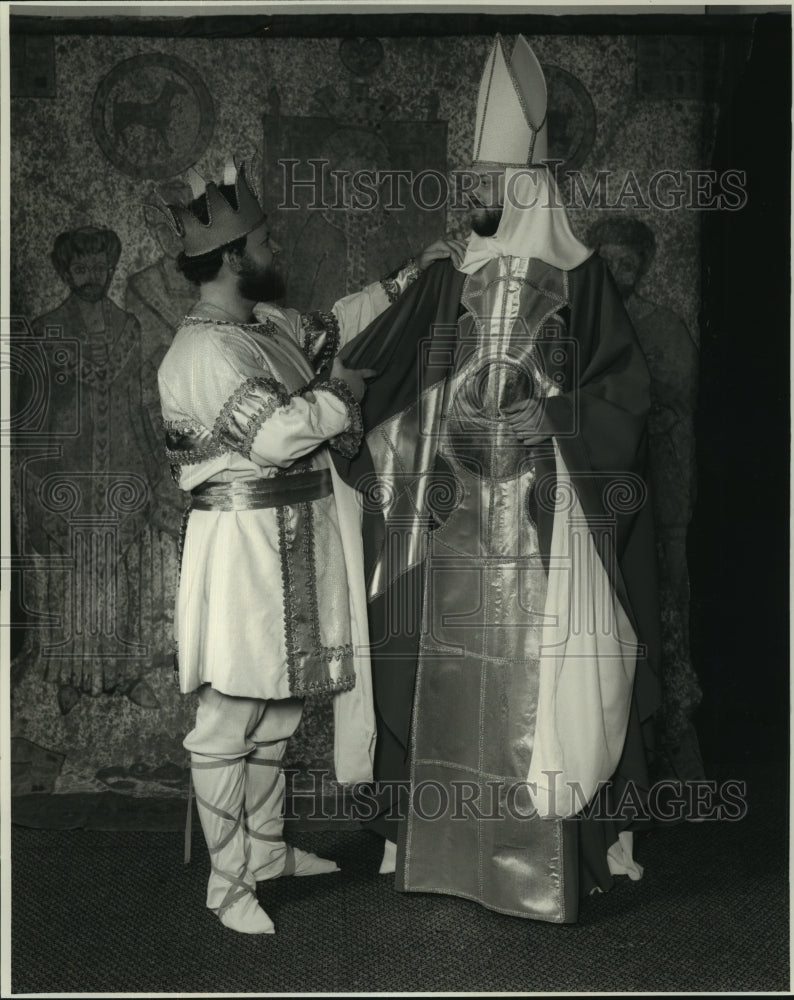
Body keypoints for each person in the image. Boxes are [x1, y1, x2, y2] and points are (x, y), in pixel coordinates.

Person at [337, 35, 662, 922]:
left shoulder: (581, 278)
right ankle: (434, 842)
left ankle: (551, 855)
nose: (474, 188)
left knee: (537, 680)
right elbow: (394, 367)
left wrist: (555, 419)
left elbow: (626, 397)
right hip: (452, 521)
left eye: (487, 174)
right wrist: (353, 409)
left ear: (525, 181)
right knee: (440, 668)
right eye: (475, 171)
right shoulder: (452, 273)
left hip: (542, 526)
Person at [155, 157, 461, 935]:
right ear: (230, 257)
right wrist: (343, 396)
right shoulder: (200, 353)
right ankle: (228, 887)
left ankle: (263, 850)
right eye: (262, 239)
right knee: (230, 716)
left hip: (293, 542)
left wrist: (406, 282)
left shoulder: (265, 326)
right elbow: (277, 435)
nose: (273, 248)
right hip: (242, 552)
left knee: (280, 708)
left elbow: (335, 325)